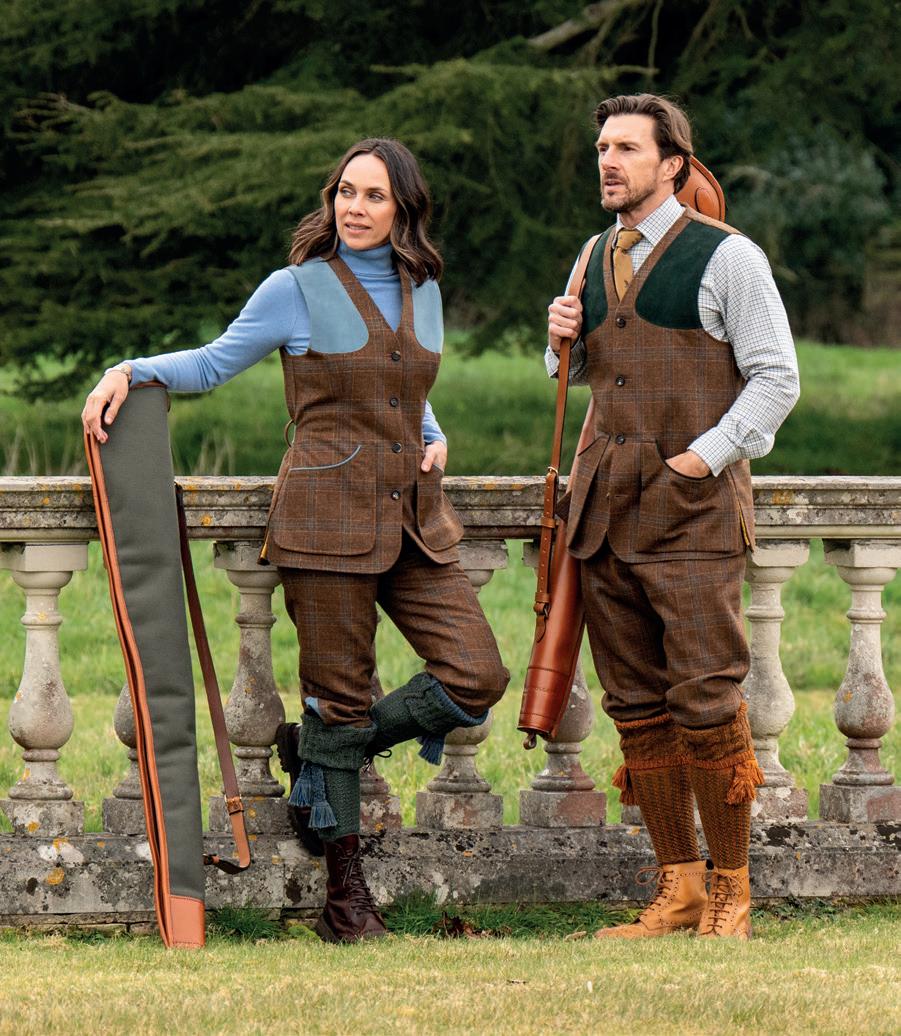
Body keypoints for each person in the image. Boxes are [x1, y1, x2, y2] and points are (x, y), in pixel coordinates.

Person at [83, 137, 509, 944]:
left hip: (415, 521)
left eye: (373, 195)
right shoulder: (296, 288)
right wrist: (129, 369)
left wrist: (432, 430)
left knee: (476, 673)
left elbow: (405, 382)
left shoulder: (423, 286)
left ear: (403, 207)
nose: (354, 207)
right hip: (324, 521)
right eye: (345, 191)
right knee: (339, 697)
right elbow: (213, 365)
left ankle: (316, 750)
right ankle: (346, 903)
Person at [546, 95, 799, 939]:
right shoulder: (591, 255)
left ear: (673, 165)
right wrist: (560, 340)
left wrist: (703, 456)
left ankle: (731, 889)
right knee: (634, 704)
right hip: (603, 515)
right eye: (601, 148)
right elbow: (589, 373)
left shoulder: (728, 256)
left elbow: (776, 377)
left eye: (626, 148)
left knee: (705, 698)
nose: (607, 162)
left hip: (691, 515)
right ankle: (679, 889)